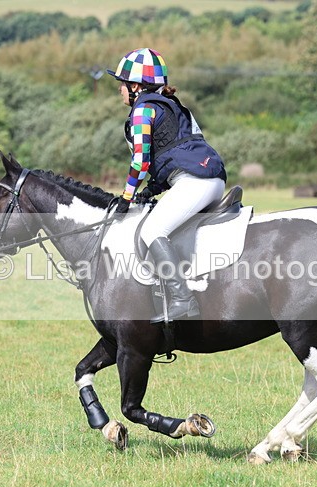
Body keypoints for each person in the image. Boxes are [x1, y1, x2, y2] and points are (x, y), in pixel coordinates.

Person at [108, 48, 227, 323]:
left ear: (135, 86)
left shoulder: (141, 111)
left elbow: (140, 162)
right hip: (214, 178)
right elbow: (178, 153)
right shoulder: (175, 106)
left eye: (122, 84)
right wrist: (151, 189)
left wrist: (127, 197)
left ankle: (183, 300)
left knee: (152, 229)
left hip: (194, 182)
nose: (120, 91)